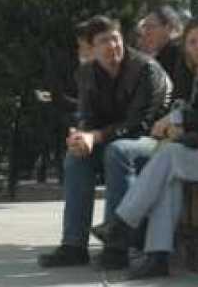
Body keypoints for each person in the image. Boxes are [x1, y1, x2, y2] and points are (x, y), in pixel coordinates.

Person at [91, 18, 198, 279]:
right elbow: (187, 112)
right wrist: (176, 125)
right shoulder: (191, 70)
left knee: (168, 157)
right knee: (168, 172)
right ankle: (157, 256)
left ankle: (123, 225)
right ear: (185, 47)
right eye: (192, 42)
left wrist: (177, 121)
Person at [38, 16, 171, 270]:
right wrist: (80, 137)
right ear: (92, 48)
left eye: (116, 38)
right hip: (113, 140)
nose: (112, 45)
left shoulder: (146, 69)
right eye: (104, 41)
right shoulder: (86, 73)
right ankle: (74, 245)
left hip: (155, 143)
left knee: (117, 151)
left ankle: (117, 247)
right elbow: (87, 116)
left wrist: (95, 137)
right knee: (76, 157)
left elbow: (139, 123)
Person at [138, 5, 184, 77]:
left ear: (168, 28)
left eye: (151, 27)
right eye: (145, 27)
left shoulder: (179, 56)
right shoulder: (159, 57)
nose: (147, 33)